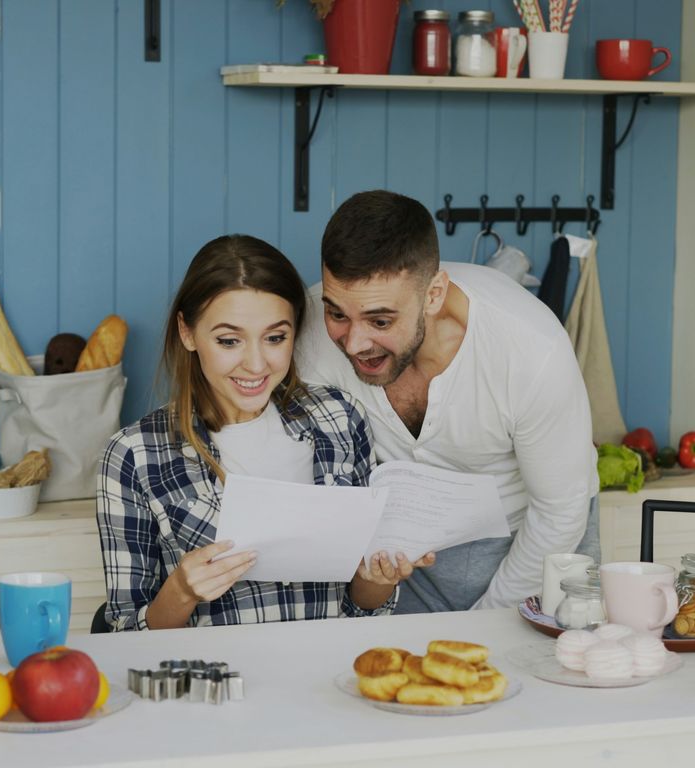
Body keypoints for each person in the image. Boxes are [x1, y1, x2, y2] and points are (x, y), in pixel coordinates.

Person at [96, 234, 431, 631]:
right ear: (187, 333)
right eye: (229, 340)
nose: (256, 364)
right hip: (216, 685)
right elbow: (123, 634)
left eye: (275, 338)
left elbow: (362, 611)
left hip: (327, 679)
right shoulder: (134, 455)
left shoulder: (340, 419)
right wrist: (181, 591)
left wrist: (376, 579)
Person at [296, 190, 600, 614]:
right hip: (401, 560)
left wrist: (485, 622)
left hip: (534, 541)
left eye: (380, 321)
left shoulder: (532, 349)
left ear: (434, 294)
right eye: (338, 314)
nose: (354, 342)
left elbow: (559, 513)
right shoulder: (312, 328)